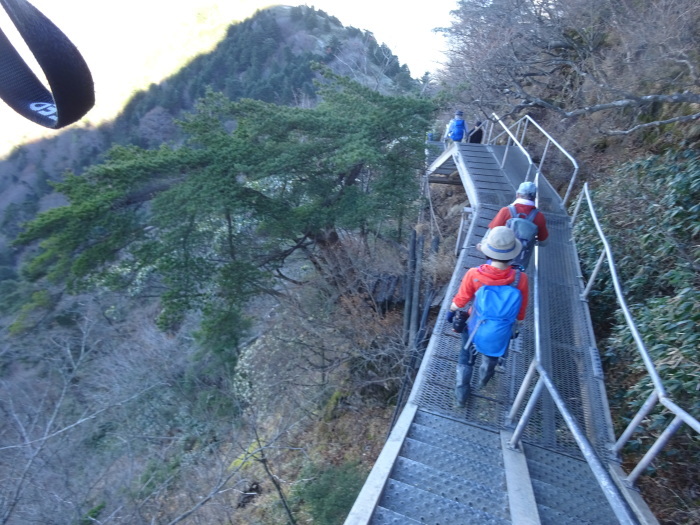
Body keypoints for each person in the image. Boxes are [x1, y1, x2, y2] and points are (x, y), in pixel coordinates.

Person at [445, 227, 529, 407]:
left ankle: (461, 395)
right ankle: (484, 381)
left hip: (474, 325)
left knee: (465, 356)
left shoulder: (474, 274)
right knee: (492, 355)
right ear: (512, 254)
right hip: (501, 330)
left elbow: (460, 301)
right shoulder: (521, 279)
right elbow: (521, 310)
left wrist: (450, 313)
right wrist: (517, 326)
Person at [479, 180, 548, 270]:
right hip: (520, 261)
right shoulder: (539, 216)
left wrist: (481, 246)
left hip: (498, 259)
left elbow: (490, 234)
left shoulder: (506, 211)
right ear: (534, 198)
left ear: (517, 194)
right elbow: (544, 242)